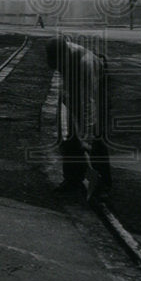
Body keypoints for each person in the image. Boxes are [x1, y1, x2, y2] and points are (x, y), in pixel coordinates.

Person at [45, 35, 112, 200]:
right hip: (75, 85)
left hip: (97, 89)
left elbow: (89, 102)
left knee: (96, 136)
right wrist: (67, 98)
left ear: (66, 54)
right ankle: (72, 179)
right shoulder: (59, 54)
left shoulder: (86, 63)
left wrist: (87, 138)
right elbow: (66, 80)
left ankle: (103, 182)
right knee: (69, 137)